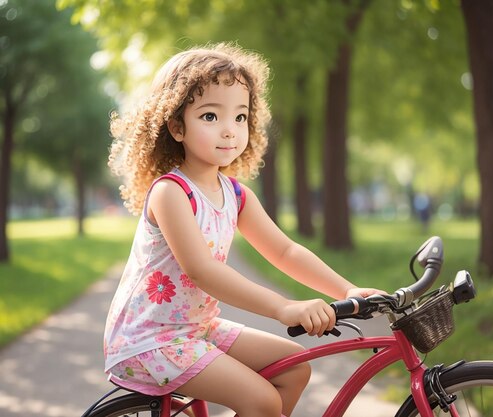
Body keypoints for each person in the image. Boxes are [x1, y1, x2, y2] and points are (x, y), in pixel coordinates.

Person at [103, 42, 385, 417]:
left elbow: (285, 251)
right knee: (262, 401)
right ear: (176, 126)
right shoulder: (171, 192)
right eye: (209, 117)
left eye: (239, 117)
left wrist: (346, 289)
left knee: (294, 367)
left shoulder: (235, 194)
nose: (229, 131)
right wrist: (284, 307)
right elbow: (202, 270)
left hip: (197, 329)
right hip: (149, 340)